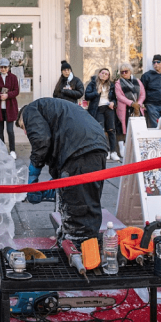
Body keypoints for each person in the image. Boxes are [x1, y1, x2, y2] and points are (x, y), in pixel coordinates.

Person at [18, 98, 110, 241]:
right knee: (88, 202)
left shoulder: (30, 109)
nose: (25, 132)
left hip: (80, 151)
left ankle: (80, 247)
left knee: (78, 207)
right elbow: (57, 144)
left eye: (23, 126)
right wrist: (55, 182)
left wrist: (33, 173)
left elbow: (42, 141)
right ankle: (88, 245)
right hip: (95, 147)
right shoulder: (53, 109)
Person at [85, 67, 119, 161]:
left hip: (109, 108)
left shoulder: (111, 85)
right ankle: (106, 151)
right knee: (102, 130)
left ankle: (113, 152)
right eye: (102, 73)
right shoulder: (92, 83)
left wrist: (113, 103)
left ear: (108, 77)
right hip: (98, 109)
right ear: (99, 74)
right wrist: (97, 92)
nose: (104, 75)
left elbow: (115, 98)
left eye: (106, 74)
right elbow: (87, 96)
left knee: (111, 130)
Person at [0, 58, 20, 157]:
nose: (3, 69)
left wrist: (8, 95)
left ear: (8, 67)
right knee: (0, 130)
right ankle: (2, 149)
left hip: (10, 107)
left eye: (5, 67)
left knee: (10, 130)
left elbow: (16, 91)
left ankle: (12, 150)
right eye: (1, 67)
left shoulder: (13, 77)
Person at [114, 63, 146, 136]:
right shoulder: (118, 83)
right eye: (122, 72)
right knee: (127, 131)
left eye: (126, 71)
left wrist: (139, 104)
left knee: (138, 129)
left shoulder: (137, 81)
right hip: (126, 109)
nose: (124, 73)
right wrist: (132, 103)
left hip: (137, 108)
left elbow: (143, 94)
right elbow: (119, 96)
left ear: (130, 71)